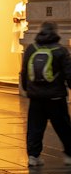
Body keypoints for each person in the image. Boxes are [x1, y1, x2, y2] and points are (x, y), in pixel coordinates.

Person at [20, 22, 71, 166]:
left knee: (35, 127)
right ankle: (69, 154)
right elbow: (69, 73)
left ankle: (33, 156)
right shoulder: (60, 50)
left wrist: (27, 88)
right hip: (56, 96)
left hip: (36, 96)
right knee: (63, 126)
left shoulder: (31, 48)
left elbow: (24, 72)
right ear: (56, 33)